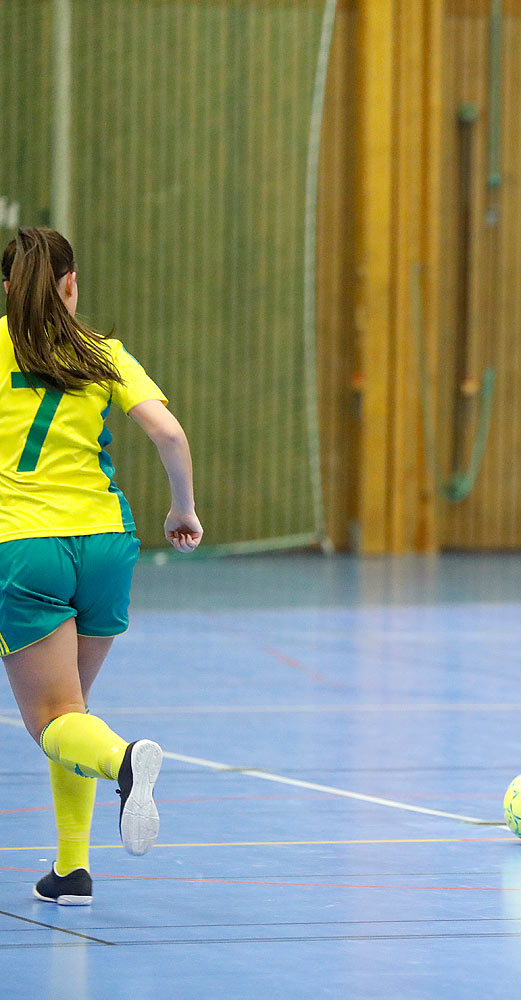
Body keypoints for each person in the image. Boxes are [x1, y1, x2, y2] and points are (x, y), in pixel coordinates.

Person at [1, 227, 202, 905]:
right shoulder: (103, 352)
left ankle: (122, 762)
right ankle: (72, 870)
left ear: (7, 287)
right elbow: (168, 434)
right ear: (71, 284)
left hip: (24, 544)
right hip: (107, 541)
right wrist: (184, 511)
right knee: (72, 709)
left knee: (54, 719)